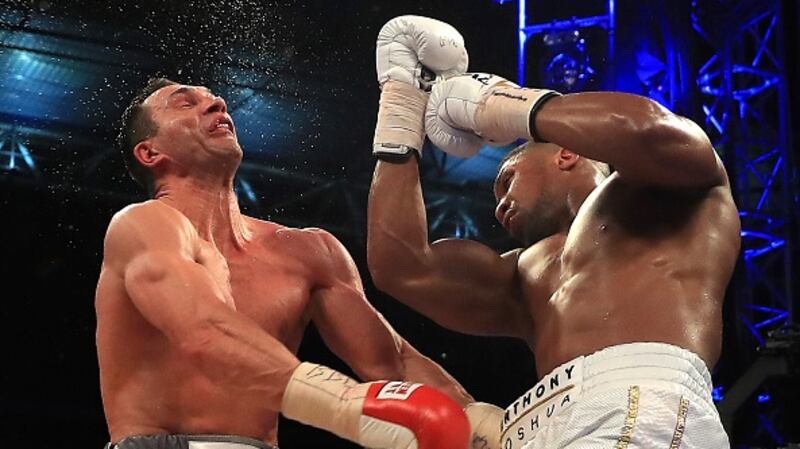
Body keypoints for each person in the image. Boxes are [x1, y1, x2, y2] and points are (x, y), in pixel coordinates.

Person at [95, 16, 479, 449]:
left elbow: (394, 362)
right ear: (150, 152)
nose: (217, 104)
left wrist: (483, 426)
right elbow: (204, 331)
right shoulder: (141, 227)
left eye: (215, 99)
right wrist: (342, 402)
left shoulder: (307, 252)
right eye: (186, 104)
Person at [367, 66, 741, 447]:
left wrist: (498, 105)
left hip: (642, 401)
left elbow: (648, 129)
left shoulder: (663, 194)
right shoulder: (520, 274)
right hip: (541, 427)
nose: (499, 207)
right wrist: (401, 118)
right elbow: (401, 266)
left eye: (507, 181)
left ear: (565, 155)